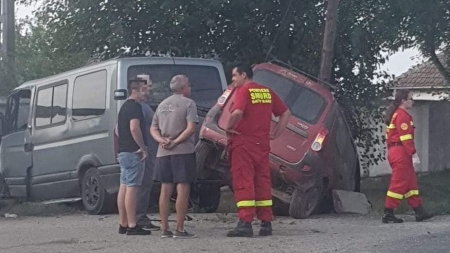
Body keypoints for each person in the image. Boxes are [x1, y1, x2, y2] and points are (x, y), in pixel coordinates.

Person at [225, 64, 291, 237]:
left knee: (243, 180)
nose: (233, 80)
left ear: (244, 75)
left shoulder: (244, 91)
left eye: (234, 76)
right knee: (262, 181)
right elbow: (285, 113)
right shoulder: (266, 92)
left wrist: (228, 128)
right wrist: (276, 134)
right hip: (262, 145)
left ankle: (245, 223)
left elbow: (237, 112)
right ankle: (266, 223)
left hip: (243, 144)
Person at [150, 75, 198, 239]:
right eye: (189, 85)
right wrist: (176, 141)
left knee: (165, 189)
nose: (190, 88)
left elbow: (153, 128)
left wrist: (162, 140)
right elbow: (191, 128)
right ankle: (179, 228)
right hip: (183, 151)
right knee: (182, 189)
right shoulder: (189, 103)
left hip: (163, 153)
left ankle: (164, 228)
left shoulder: (162, 105)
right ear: (184, 87)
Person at [382, 89, 434, 223]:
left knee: (410, 182)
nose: (413, 101)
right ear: (403, 101)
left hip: (398, 151)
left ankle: (419, 210)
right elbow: (406, 138)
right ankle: (388, 212)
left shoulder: (398, 114)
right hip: (401, 151)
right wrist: (413, 153)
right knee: (399, 182)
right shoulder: (402, 115)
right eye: (411, 98)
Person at [116, 79, 151, 235]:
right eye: (144, 90)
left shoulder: (123, 107)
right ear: (135, 90)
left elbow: (117, 130)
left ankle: (123, 223)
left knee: (123, 187)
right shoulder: (135, 107)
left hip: (123, 152)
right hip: (133, 153)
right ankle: (132, 224)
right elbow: (134, 128)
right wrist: (142, 148)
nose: (147, 93)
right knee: (133, 189)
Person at [135, 74, 160, 231]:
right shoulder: (139, 107)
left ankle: (135, 217)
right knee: (143, 184)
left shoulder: (140, 106)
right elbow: (133, 128)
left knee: (141, 185)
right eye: (147, 86)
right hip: (145, 151)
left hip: (147, 149)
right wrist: (142, 147)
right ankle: (139, 217)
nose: (149, 89)